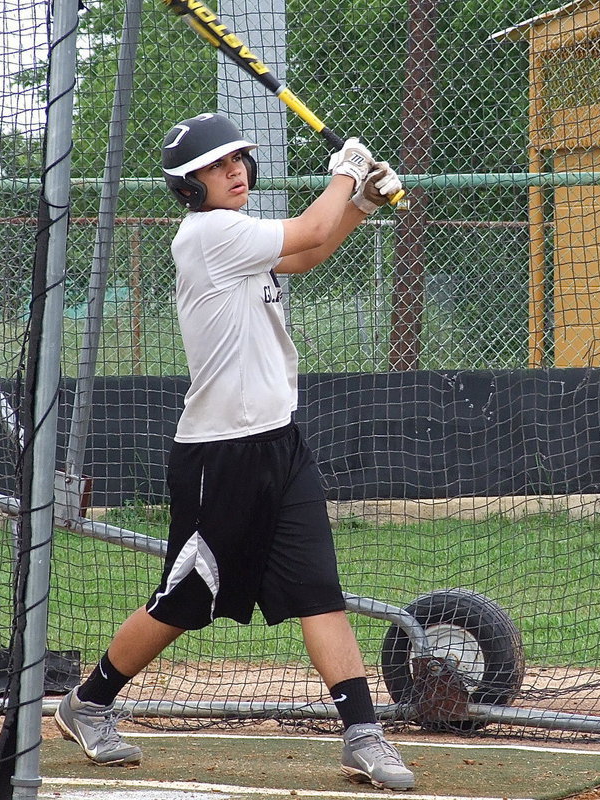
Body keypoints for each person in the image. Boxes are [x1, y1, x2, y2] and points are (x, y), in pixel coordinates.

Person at [55, 112, 414, 791]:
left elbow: (307, 253)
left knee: (319, 591)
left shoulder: (241, 238)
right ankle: (90, 701)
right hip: (217, 456)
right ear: (188, 186)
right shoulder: (208, 235)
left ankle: (362, 732)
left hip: (280, 441)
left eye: (238, 160)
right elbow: (308, 229)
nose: (236, 171)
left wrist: (361, 202)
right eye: (219, 166)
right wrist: (347, 169)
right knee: (182, 603)